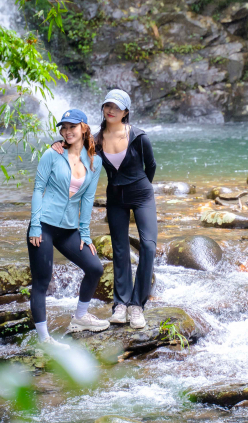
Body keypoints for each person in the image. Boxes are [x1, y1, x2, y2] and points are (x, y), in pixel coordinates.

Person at [53, 89, 157, 329]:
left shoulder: (140, 137)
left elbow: (150, 166)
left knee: (148, 246)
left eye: (117, 107)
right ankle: (121, 304)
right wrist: (57, 144)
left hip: (142, 195)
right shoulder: (96, 140)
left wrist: (140, 186)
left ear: (125, 112)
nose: (111, 110)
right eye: (108, 105)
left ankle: (137, 305)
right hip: (115, 198)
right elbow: (73, 148)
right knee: (120, 249)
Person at [27, 108, 109, 348]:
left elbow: (87, 199)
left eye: (72, 127)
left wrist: (85, 233)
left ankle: (80, 317)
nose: (67, 131)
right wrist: (34, 226)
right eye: (63, 127)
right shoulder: (52, 154)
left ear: (83, 127)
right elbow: (38, 190)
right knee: (42, 281)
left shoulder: (95, 161)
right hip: (44, 225)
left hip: (69, 229)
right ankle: (44, 340)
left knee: (95, 268)